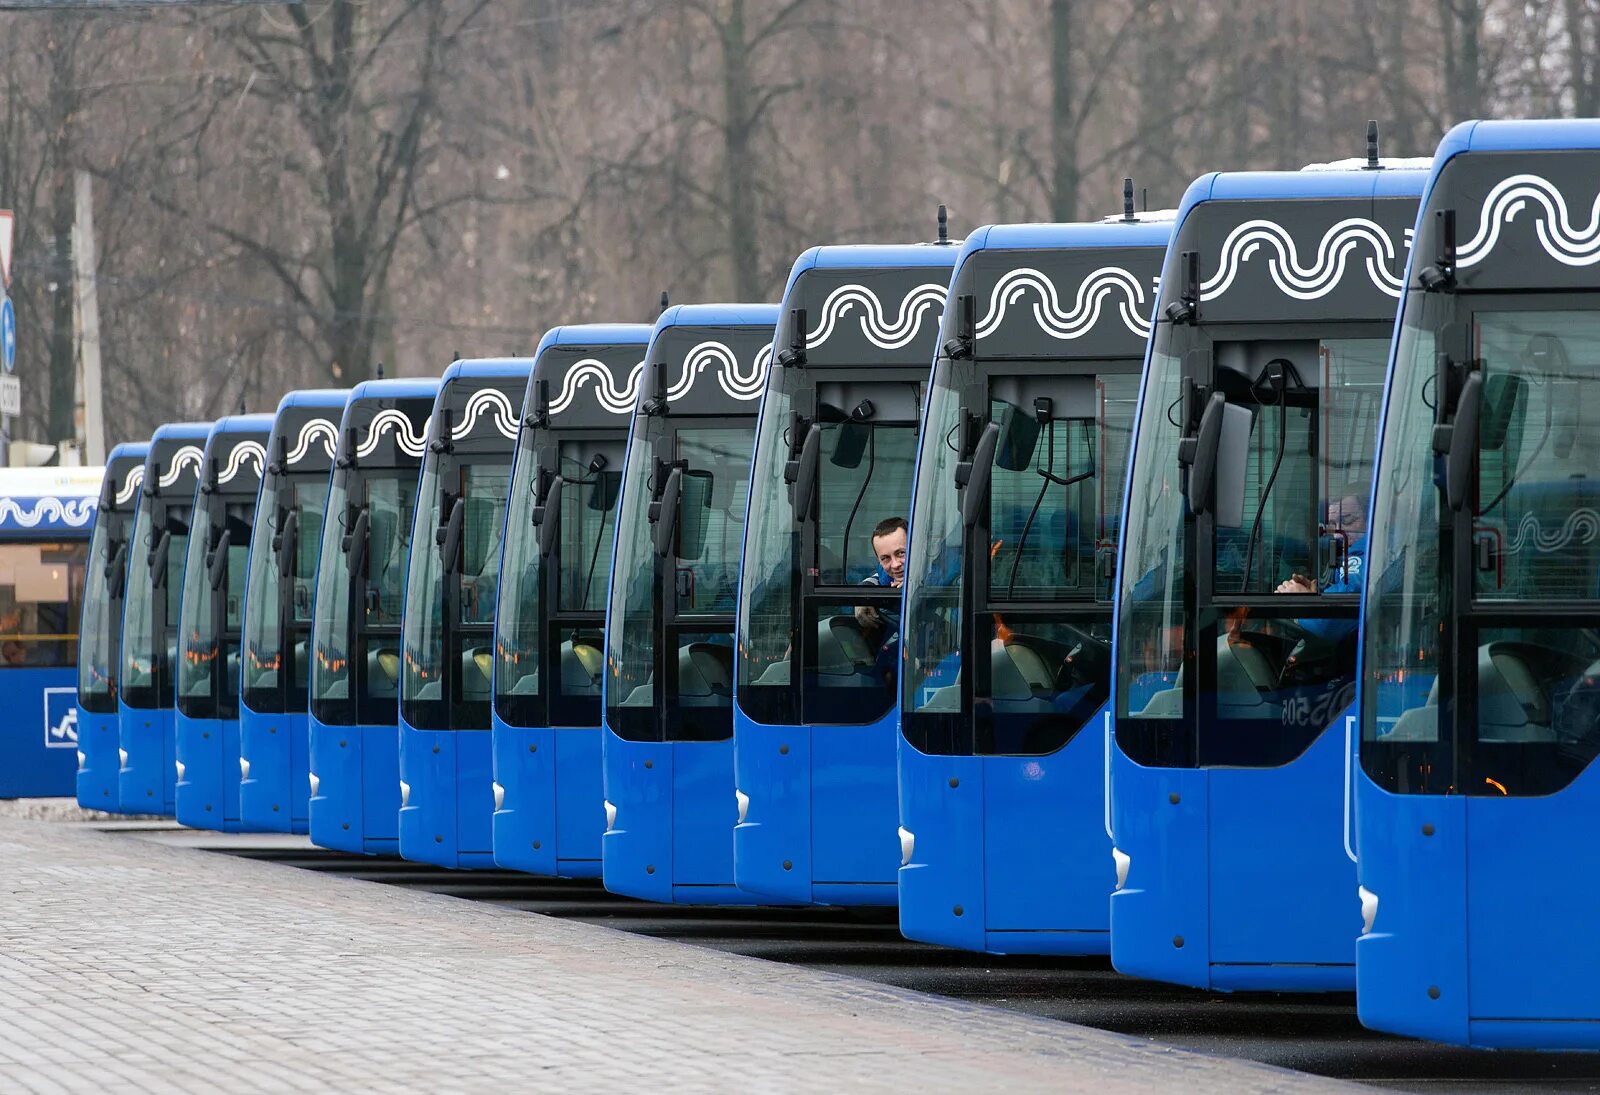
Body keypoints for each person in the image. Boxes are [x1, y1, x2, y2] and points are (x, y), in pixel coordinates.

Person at [856, 517, 907, 687]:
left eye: (901, 553)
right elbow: (877, 577)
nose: (895, 565)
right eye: (885, 558)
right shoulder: (885, 578)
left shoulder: (940, 574)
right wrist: (863, 595)